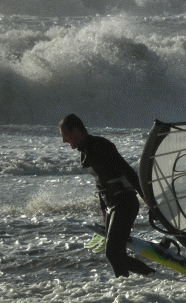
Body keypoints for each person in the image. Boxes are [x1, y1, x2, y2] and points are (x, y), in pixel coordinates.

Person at [59, 114, 155, 277]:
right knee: (117, 254)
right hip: (113, 205)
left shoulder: (100, 145)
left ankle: (143, 279)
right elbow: (100, 185)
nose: (64, 141)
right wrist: (104, 210)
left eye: (65, 136)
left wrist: (143, 194)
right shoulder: (86, 151)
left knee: (113, 253)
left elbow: (127, 169)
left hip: (125, 202)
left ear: (75, 131)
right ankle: (142, 279)